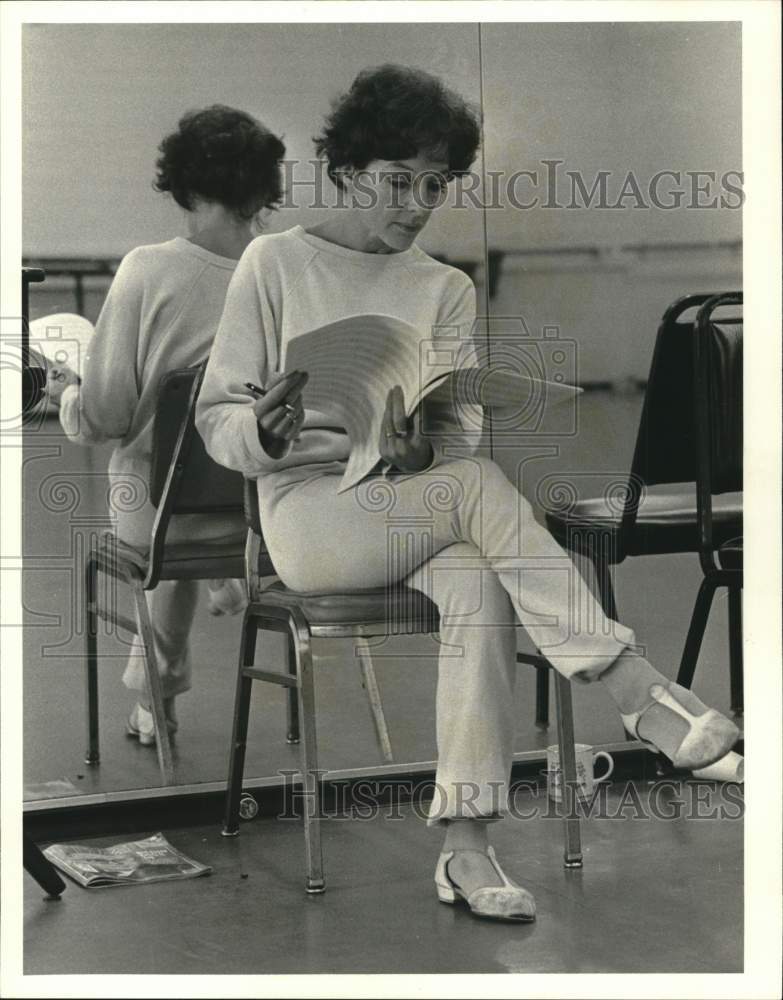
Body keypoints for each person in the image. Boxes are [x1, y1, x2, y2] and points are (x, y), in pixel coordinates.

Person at [196, 66, 739, 922]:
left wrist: (421, 445)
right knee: (477, 493)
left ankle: (465, 846)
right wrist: (261, 428)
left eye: (436, 185)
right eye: (397, 181)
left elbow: (456, 443)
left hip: (404, 501)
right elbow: (216, 418)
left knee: (480, 580)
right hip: (306, 514)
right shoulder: (273, 262)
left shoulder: (442, 286)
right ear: (345, 170)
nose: (416, 204)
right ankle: (634, 690)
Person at [47, 105, 286, 747]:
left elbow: (109, 416)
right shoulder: (284, 272)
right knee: (192, 470)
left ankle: (159, 699)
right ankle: (223, 578)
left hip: (156, 512)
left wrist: (68, 395)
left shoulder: (148, 270)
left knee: (159, 492)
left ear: (183, 183)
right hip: (263, 513)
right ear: (265, 189)